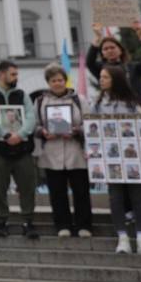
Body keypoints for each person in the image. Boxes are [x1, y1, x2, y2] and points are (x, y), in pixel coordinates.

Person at [94, 64, 141, 254]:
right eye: (101, 77)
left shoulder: (131, 103)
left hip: (132, 156)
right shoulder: (98, 103)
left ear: (116, 79)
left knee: (137, 196)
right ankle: (122, 237)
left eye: (105, 77)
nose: (101, 80)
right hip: (110, 156)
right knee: (116, 196)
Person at [0, 60, 39, 240]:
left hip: (22, 148)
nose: (16, 77)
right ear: (1, 74)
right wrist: (6, 134)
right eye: (13, 74)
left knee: (27, 185)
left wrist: (20, 134)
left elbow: (31, 117)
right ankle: (1, 221)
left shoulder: (22, 95)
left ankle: (28, 221)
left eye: (17, 74)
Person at [34, 63, 92, 238]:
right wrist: (43, 132)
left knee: (81, 191)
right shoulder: (40, 101)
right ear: (48, 82)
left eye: (60, 80)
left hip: (76, 153)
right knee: (57, 192)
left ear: (65, 81)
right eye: (53, 80)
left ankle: (84, 225)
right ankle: (62, 224)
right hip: (52, 154)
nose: (57, 83)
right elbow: (35, 126)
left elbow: (89, 123)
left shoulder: (78, 100)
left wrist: (76, 131)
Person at [86, 20, 141, 109]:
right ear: (102, 54)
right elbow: (89, 62)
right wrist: (98, 37)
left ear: (120, 50)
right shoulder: (101, 68)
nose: (109, 50)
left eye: (112, 47)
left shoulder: (132, 68)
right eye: (105, 49)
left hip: (137, 107)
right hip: (112, 109)